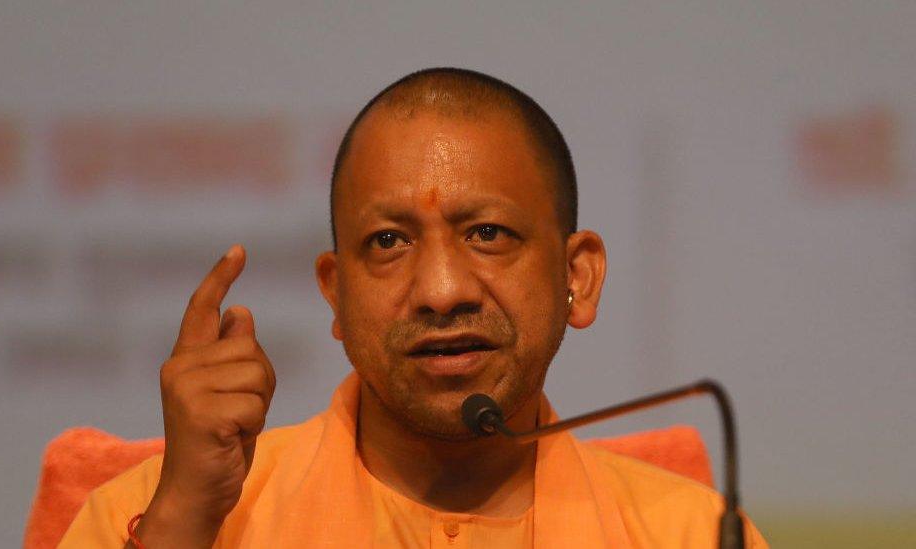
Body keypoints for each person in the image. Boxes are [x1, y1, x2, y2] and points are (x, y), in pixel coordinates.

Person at [60, 68, 767, 548]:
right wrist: (184, 520)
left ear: (576, 275)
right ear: (335, 292)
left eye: (487, 234)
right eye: (389, 240)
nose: (440, 289)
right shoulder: (172, 511)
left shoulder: (687, 533)